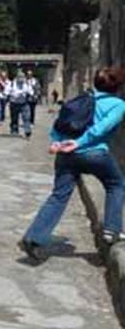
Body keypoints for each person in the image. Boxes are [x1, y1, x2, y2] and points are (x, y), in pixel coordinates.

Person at [20, 67, 125, 260]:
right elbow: (101, 128)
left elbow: (61, 122)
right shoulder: (118, 104)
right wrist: (79, 143)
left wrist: (56, 142)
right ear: (118, 86)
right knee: (116, 184)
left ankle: (34, 238)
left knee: (59, 196)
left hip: (66, 155)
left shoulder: (81, 99)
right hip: (94, 153)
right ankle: (112, 229)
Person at [7, 70, 34, 138]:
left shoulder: (26, 84)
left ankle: (27, 131)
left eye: (23, 77)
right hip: (14, 103)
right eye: (20, 77)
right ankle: (14, 130)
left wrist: (29, 93)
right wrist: (12, 95)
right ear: (17, 77)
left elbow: (31, 92)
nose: (22, 79)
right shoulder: (11, 84)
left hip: (24, 103)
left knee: (26, 117)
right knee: (14, 118)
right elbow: (6, 92)